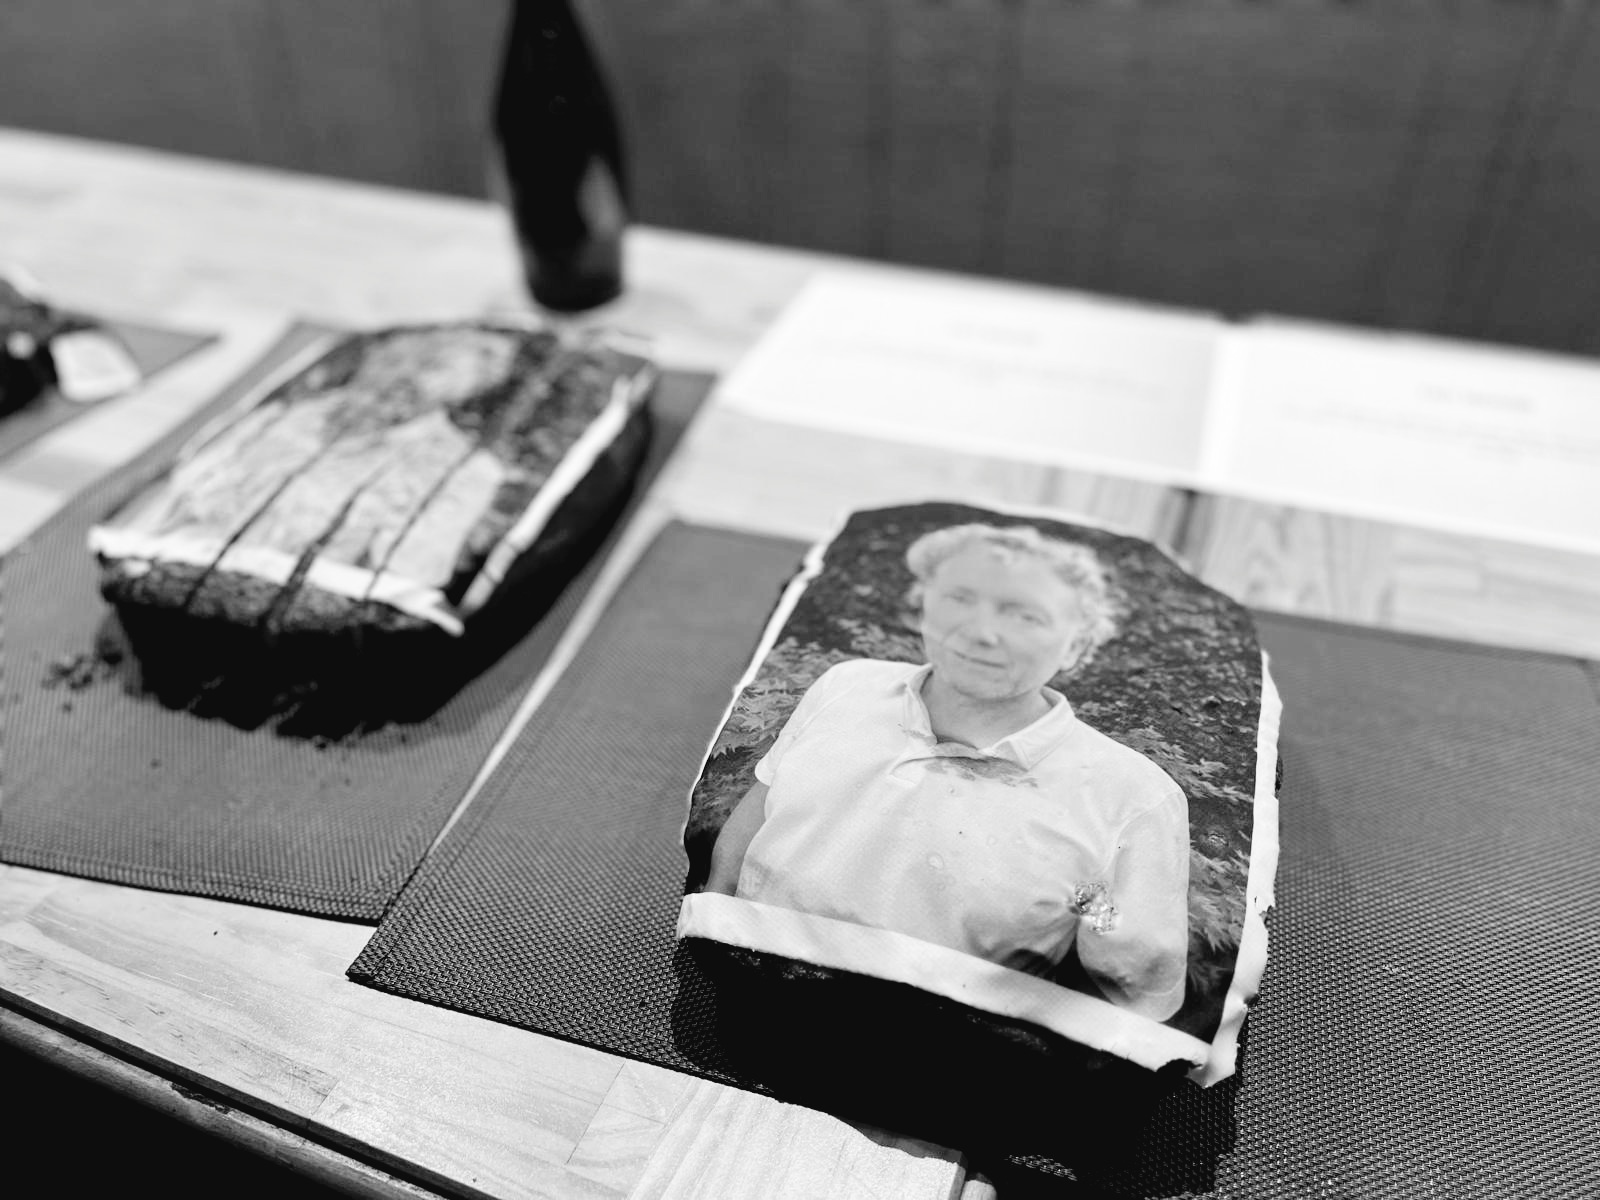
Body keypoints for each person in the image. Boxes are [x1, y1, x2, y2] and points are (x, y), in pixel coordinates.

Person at [705, 523, 1191, 1022]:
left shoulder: (1133, 794)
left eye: (1025, 615)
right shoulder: (846, 685)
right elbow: (753, 822)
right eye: (960, 598)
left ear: (1076, 645)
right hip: (741, 998)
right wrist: (710, 933)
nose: (981, 632)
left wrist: (1088, 896)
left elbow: (1139, 986)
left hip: (941, 1047)